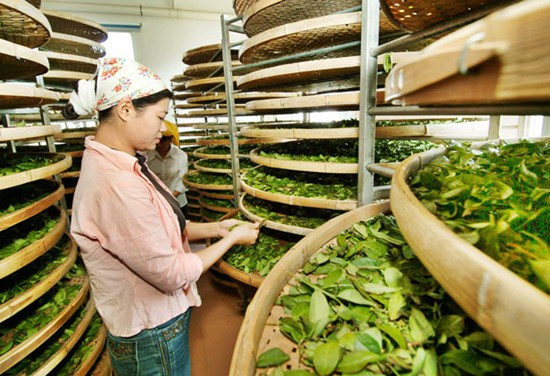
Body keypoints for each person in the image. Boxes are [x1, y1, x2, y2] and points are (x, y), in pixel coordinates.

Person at [65, 57, 259, 376]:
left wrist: (219, 227)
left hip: (157, 328)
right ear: (126, 110)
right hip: (152, 338)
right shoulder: (115, 186)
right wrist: (235, 239)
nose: (164, 128)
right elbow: (170, 273)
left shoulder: (126, 163)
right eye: (159, 116)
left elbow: (165, 227)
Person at [146, 120, 188, 209]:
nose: (159, 144)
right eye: (158, 140)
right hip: (156, 202)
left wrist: (170, 198)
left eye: (163, 140)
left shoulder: (181, 155)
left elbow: (183, 181)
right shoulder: (147, 155)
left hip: (178, 202)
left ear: (170, 140)